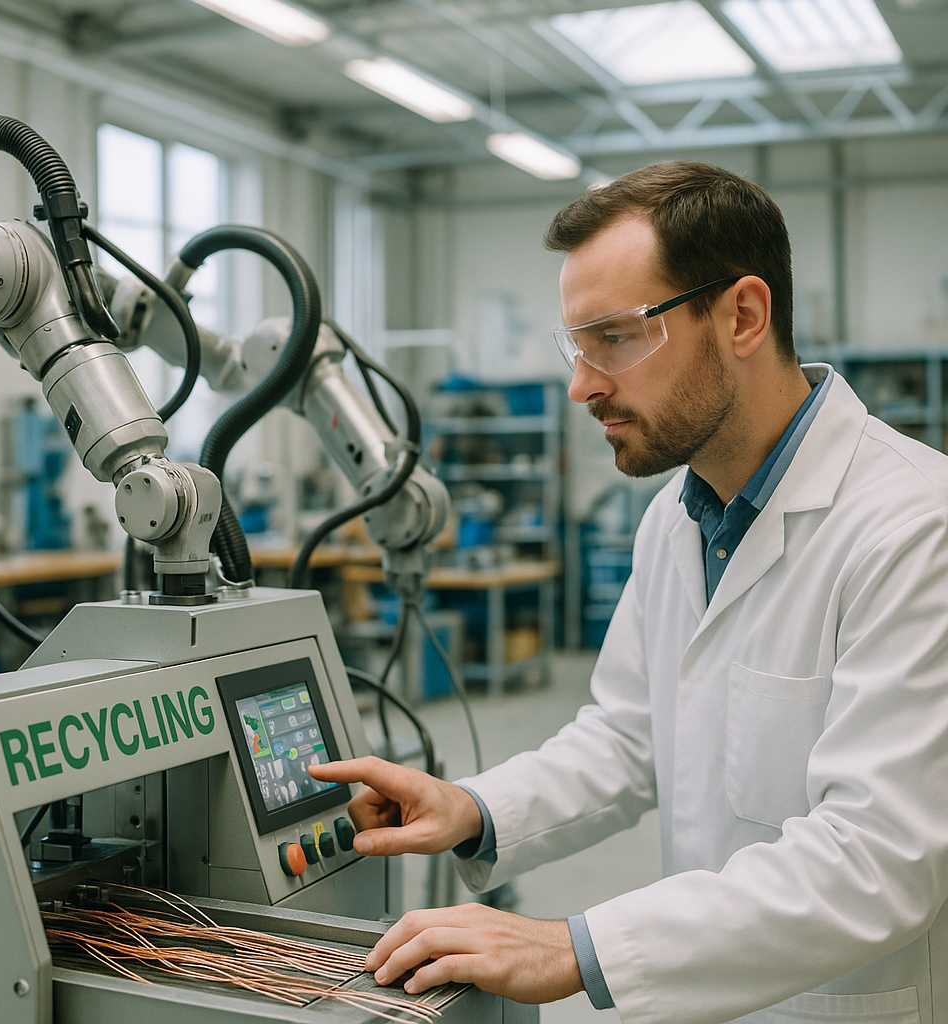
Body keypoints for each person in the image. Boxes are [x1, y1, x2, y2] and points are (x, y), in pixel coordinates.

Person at [310, 161, 948, 1024]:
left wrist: (574, 946)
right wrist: (473, 807)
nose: (583, 385)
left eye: (615, 338)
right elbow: (627, 737)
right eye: (577, 345)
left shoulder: (915, 526)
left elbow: (878, 861)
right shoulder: (672, 521)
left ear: (743, 316)